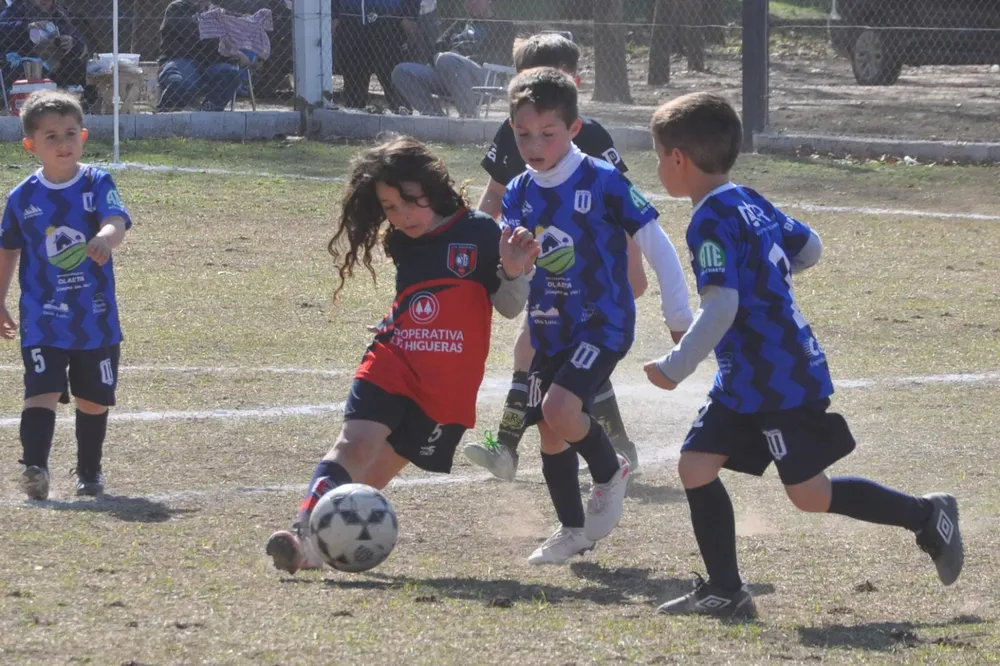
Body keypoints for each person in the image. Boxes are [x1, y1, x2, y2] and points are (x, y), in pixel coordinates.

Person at [644, 92, 963, 618]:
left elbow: (721, 307)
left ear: (678, 158)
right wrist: (768, 281)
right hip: (747, 376)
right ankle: (727, 590)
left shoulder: (706, 222)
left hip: (776, 378)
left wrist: (677, 366)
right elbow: (809, 247)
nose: (658, 168)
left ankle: (928, 515)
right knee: (696, 465)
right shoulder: (749, 198)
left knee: (809, 494)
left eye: (658, 156)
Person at [266, 135, 539, 574]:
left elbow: (508, 307)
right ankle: (301, 533)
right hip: (393, 361)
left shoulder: (479, 231)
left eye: (409, 202)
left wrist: (511, 268)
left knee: (371, 481)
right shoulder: (402, 239)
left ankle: (319, 549)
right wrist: (399, 321)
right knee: (353, 445)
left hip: (445, 389)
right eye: (390, 208)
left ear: (431, 187)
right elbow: (418, 296)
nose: (402, 216)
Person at [501, 69, 692, 565]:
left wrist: (679, 319)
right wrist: (514, 257)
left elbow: (659, 245)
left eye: (548, 133)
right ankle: (572, 531)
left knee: (562, 410)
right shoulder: (518, 190)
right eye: (523, 134)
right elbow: (514, 268)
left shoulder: (604, 180)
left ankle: (610, 472)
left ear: (574, 129)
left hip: (603, 322)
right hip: (549, 324)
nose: (534, 144)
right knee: (549, 426)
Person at [463, 33, 658, 482]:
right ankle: (604, 445)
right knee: (545, 353)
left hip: (590, 273)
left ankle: (513, 447)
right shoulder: (513, 131)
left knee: (548, 351)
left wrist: (634, 267)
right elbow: (494, 196)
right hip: (543, 266)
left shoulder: (589, 135)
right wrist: (474, 245)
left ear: (573, 82)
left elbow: (622, 208)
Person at [0, 90, 131, 500]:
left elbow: (117, 220)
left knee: (93, 399)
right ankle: (34, 467)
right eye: (51, 136)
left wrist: (105, 239)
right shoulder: (22, 197)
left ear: (84, 137)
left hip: (95, 317)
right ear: (30, 145)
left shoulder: (96, 182)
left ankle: (89, 471)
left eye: (70, 133)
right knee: (39, 390)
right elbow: (8, 248)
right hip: (42, 317)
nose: (63, 143)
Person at [391, 0, 515, 118]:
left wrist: (460, 58)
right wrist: (445, 58)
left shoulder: (503, 24)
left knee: (447, 59)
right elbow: (438, 46)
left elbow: (500, 57)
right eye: (468, 0)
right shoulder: (460, 23)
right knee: (401, 71)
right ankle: (435, 117)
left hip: (484, 77)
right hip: (449, 72)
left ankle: (468, 118)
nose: (472, 3)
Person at [0, 0, 95, 107]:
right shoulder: (17, 9)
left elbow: (79, 40)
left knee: (77, 65)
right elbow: (2, 29)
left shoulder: (59, 13)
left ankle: (75, 104)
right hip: (26, 64)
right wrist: (26, 27)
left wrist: (71, 42)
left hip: (55, 64)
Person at [157, 0, 246, 112]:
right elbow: (192, 35)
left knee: (231, 74)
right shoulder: (177, 7)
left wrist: (234, 52)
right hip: (181, 59)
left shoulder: (216, 12)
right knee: (180, 82)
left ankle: (206, 114)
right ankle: (164, 114)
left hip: (210, 63)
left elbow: (227, 36)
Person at [333, 0, 418, 111]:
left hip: (390, 23)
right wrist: (334, 14)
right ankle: (353, 122)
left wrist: (409, 15)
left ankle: (403, 120)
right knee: (354, 83)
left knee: (391, 78)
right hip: (353, 22)